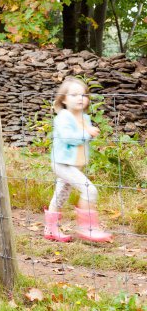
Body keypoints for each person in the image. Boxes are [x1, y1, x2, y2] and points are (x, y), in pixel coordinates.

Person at [43, 77, 112, 242]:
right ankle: (88, 228)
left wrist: (88, 133)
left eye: (83, 95)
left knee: (60, 195)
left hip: (74, 164)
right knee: (89, 190)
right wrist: (87, 134)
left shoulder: (85, 118)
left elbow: (82, 140)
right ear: (64, 99)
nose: (80, 98)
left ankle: (50, 229)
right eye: (74, 95)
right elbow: (69, 138)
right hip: (62, 163)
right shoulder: (63, 117)